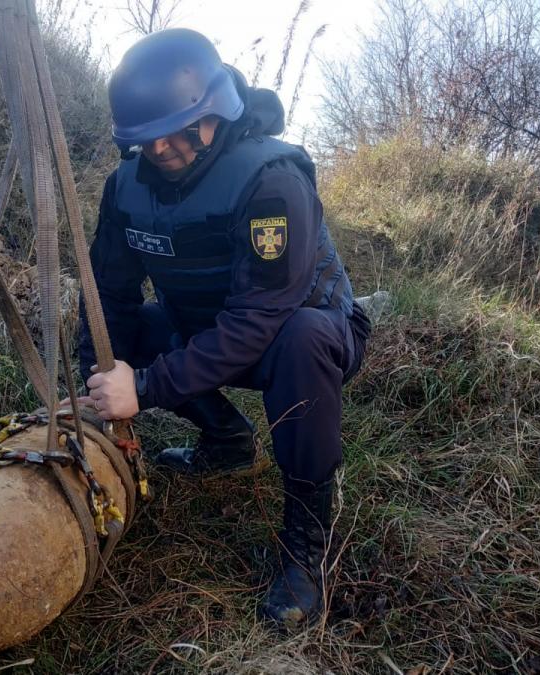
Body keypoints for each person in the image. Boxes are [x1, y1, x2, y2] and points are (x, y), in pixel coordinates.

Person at [75, 27, 370, 628]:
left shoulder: (272, 181)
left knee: (302, 339)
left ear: (216, 110)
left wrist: (149, 387)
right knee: (137, 335)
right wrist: (95, 380)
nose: (161, 149)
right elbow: (109, 293)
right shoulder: (125, 190)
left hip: (301, 329)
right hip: (206, 326)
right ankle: (229, 445)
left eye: (178, 130)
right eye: (145, 140)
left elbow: (260, 316)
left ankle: (305, 548)